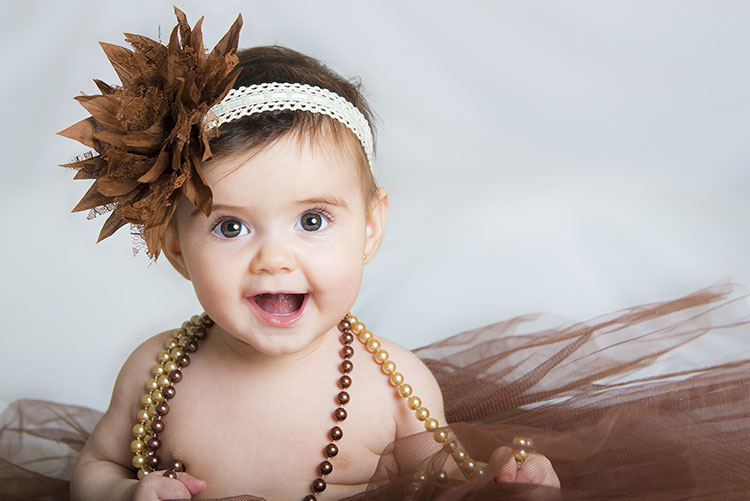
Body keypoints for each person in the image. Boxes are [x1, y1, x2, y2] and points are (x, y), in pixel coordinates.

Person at [61, 9, 559, 501]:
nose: (274, 259)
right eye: (230, 227)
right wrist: (128, 493)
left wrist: (502, 484)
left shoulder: (395, 384)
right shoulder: (156, 369)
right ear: (175, 249)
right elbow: (97, 465)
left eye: (312, 221)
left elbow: (447, 483)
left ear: (369, 228)